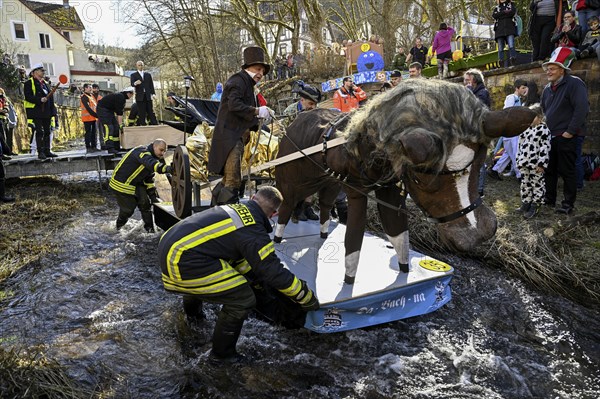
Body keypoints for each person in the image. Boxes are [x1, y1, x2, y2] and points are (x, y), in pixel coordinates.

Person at [157, 186, 319, 362]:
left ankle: (194, 317)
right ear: (273, 215)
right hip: (184, 263)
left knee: (216, 278)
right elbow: (272, 271)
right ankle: (222, 355)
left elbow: (237, 258)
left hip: (169, 247)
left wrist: (256, 281)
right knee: (243, 299)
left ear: (253, 197)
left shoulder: (234, 208)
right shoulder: (253, 229)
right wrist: (304, 296)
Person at [207, 46, 273, 205]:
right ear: (248, 67)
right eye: (258, 69)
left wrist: (262, 116)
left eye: (263, 71)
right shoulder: (237, 81)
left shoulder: (247, 84)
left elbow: (243, 112)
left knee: (229, 178)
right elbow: (234, 105)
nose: (261, 74)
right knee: (233, 179)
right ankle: (226, 217)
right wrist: (257, 111)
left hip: (235, 137)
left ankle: (214, 210)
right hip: (230, 137)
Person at [541, 47, 589, 214]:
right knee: (550, 170)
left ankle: (568, 204)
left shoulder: (575, 84)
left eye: (552, 68)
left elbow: (581, 109)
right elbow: (544, 111)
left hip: (567, 135)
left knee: (567, 171)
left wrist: (570, 131)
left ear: (562, 70)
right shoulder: (547, 89)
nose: (548, 71)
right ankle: (549, 199)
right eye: (548, 68)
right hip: (550, 136)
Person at [109, 139, 172, 232]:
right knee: (128, 210)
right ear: (154, 147)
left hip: (135, 182)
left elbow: (149, 178)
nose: (163, 153)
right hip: (121, 184)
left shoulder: (153, 156)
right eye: (161, 150)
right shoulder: (142, 152)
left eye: (164, 151)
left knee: (145, 204)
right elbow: (152, 165)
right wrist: (169, 169)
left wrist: (153, 195)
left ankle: (150, 231)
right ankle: (117, 228)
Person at [283, 82, 322, 222]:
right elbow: (284, 135)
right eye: (310, 104)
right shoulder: (290, 112)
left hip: (311, 151)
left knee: (314, 178)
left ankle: (307, 206)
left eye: (314, 105)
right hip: (292, 151)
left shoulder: (317, 113)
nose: (312, 107)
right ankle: (297, 208)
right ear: (302, 100)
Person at [488, 79, 529, 180]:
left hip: (515, 130)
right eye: (523, 88)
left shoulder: (519, 100)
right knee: (515, 153)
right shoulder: (511, 98)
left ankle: (495, 170)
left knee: (508, 153)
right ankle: (520, 175)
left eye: (525, 88)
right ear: (517, 88)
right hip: (511, 131)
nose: (524, 90)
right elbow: (507, 113)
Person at [516, 104, 551, 219]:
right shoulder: (525, 129)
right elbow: (520, 145)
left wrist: (542, 164)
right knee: (525, 183)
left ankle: (536, 204)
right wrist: (518, 159)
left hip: (536, 164)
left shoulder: (544, 129)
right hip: (524, 162)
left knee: (537, 183)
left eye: (532, 117)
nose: (529, 120)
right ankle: (526, 202)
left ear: (540, 117)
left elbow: (545, 148)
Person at [463, 68, 491, 197]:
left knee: (480, 161)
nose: (465, 83)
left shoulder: (482, 93)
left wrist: (468, 95)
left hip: (479, 132)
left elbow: (478, 110)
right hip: (471, 131)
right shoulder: (474, 91)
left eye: (468, 80)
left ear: (475, 80)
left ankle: (479, 190)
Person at [23, 63, 57, 160]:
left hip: (46, 112)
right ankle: (40, 152)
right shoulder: (29, 83)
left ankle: (47, 150)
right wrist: (40, 100)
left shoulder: (45, 84)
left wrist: (53, 111)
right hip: (37, 112)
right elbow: (28, 97)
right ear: (35, 72)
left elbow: (51, 99)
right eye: (41, 71)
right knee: (39, 132)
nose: (43, 72)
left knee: (47, 131)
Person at [97, 86, 135, 154]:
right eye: (132, 94)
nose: (132, 96)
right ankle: (110, 148)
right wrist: (120, 124)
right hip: (103, 110)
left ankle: (116, 147)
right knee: (109, 128)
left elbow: (119, 112)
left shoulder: (121, 97)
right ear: (129, 93)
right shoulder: (121, 97)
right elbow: (119, 112)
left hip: (109, 111)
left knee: (115, 127)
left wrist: (119, 125)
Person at [130, 60, 158, 126]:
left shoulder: (148, 75)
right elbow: (132, 84)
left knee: (150, 110)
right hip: (140, 96)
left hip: (148, 95)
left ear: (143, 66)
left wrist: (153, 94)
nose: (140, 66)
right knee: (141, 111)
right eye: (139, 65)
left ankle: (154, 123)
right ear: (136, 66)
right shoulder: (133, 75)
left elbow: (151, 85)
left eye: (141, 65)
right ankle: (142, 124)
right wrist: (136, 83)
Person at [493, 0, 519, 67]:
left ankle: (513, 59)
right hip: (499, 30)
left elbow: (512, 12)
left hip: (510, 28)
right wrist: (505, 12)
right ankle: (501, 62)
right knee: (500, 48)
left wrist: (501, 14)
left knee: (511, 45)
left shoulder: (511, 5)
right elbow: (494, 15)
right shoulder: (497, 7)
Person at [80, 84, 99, 153]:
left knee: (94, 133)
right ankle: (88, 147)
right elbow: (88, 108)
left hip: (93, 118)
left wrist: (96, 115)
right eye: (89, 87)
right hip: (87, 118)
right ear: (85, 88)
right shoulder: (84, 97)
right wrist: (96, 115)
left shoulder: (91, 96)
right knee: (88, 133)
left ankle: (94, 146)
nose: (91, 89)